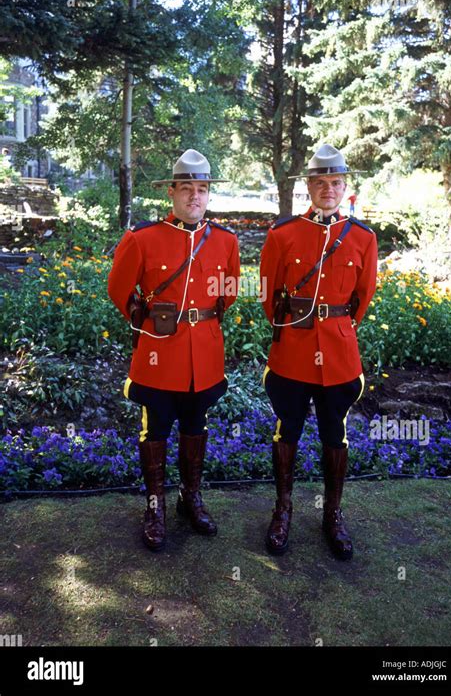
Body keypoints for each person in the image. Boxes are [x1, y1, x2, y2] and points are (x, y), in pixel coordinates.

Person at [108, 149, 240, 551]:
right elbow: (118, 289)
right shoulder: (142, 239)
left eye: (202, 190)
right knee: (156, 429)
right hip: (158, 352)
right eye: (187, 189)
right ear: (171, 192)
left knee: (195, 427)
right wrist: (146, 319)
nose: (195, 198)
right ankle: (155, 507)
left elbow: (229, 292)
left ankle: (190, 499)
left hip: (203, 354)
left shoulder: (225, 241)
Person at [259, 143, 378, 560]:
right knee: (287, 429)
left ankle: (332, 514)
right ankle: (283, 509)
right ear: (309, 186)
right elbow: (268, 293)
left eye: (336, 182)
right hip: (292, 348)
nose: (328, 189)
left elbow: (363, 298)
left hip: (340, 355)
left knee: (335, 434)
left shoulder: (363, 237)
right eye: (321, 182)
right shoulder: (283, 233)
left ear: (346, 187)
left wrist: (336, 326)